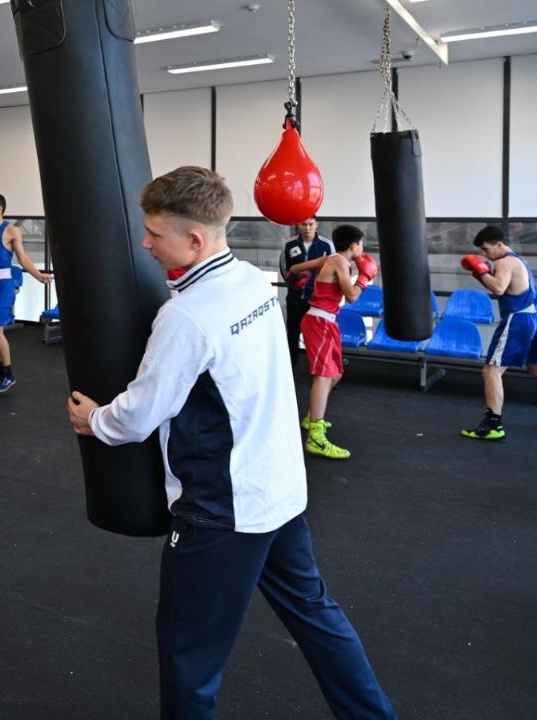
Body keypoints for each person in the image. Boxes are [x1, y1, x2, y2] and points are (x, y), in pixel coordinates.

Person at [66, 167, 394, 720]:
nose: (144, 243)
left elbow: (140, 415)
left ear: (194, 240)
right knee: (317, 616)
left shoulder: (186, 316)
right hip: (280, 489)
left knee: (188, 658)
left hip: (222, 510)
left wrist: (95, 419)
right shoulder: (250, 279)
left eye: (154, 233)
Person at [460, 225, 537, 440]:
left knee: (491, 370)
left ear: (500, 244)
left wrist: (481, 272)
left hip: (517, 320)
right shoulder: (519, 260)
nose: (486, 255)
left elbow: (498, 288)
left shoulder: (504, 262)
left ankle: (494, 425)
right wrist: (482, 273)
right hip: (533, 318)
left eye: (487, 249)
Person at [300, 225, 377, 460]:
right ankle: (315, 435)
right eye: (361, 243)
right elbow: (352, 296)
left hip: (327, 321)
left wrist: (297, 277)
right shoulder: (340, 262)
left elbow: (296, 267)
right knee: (324, 376)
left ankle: (313, 414)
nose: (362, 248)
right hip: (319, 321)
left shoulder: (330, 258)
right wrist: (364, 277)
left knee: (335, 374)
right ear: (354, 245)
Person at [0, 192, 52, 392]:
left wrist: (38, 275)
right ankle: (0, 371)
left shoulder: (11, 231)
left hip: (3, 287)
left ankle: (8, 374)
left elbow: (23, 259)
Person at [278, 216, 335, 369]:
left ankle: (320, 369)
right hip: (295, 297)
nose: (307, 228)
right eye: (304, 224)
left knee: (317, 335)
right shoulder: (290, 245)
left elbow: (335, 270)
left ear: (317, 224)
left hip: (317, 301)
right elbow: (284, 268)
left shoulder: (326, 245)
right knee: (293, 332)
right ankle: (290, 367)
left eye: (311, 224)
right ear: (299, 224)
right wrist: (293, 280)